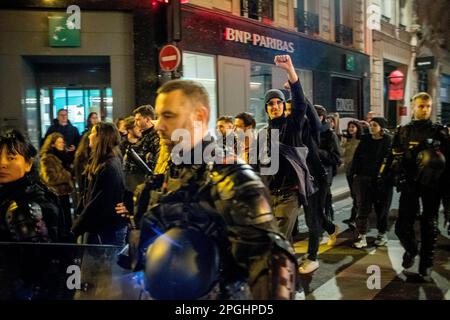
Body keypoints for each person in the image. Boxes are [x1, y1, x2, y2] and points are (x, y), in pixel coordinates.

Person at [125, 79, 297, 300]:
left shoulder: (231, 177)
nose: (158, 125)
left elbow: (272, 264)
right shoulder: (170, 175)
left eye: (168, 115)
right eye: (158, 116)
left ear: (199, 116)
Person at [263, 56, 338, 275]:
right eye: (273, 104)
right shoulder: (268, 132)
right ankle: (330, 227)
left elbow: (302, 107)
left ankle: (310, 257)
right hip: (285, 187)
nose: (278, 107)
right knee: (311, 218)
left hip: (310, 178)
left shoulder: (298, 124)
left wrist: (292, 74)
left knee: (313, 217)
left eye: (281, 103)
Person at [386, 92, 449, 280]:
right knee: (402, 227)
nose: (425, 110)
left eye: (428, 106)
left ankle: (426, 265)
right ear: (413, 106)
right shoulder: (403, 131)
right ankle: (412, 249)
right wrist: (387, 176)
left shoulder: (441, 132)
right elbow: (393, 156)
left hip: (432, 184)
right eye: (421, 106)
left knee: (429, 225)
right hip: (410, 183)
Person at [0, 129, 61, 242]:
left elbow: (34, 255)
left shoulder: (24, 206)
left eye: (11, 158)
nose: (2, 164)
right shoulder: (7, 196)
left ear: (28, 164)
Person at [71, 122, 127, 245]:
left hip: (105, 232)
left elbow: (96, 204)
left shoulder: (108, 167)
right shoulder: (105, 162)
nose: (89, 136)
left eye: (93, 133)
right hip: (103, 229)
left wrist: (74, 231)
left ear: (101, 138)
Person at [351, 117, 393, 248]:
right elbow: (357, 157)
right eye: (370, 125)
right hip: (364, 179)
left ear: (381, 127)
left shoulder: (388, 141)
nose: (371, 127)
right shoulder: (366, 139)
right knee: (363, 208)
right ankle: (361, 236)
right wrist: (355, 174)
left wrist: (387, 177)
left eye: (374, 125)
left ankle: (382, 234)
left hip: (382, 181)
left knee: (382, 209)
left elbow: (391, 161)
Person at [39, 132, 74, 234]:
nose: (62, 144)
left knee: (67, 221)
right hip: (56, 195)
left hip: (64, 194)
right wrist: (67, 175)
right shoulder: (47, 158)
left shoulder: (61, 156)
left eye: (62, 142)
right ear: (52, 144)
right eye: (59, 142)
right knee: (61, 223)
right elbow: (50, 178)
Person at [315, 105, 342, 221]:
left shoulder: (330, 135)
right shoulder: (308, 132)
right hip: (310, 175)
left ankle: (321, 229)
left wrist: (319, 152)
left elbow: (336, 157)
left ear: (321, 117)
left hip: (324, 175)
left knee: (319, 205)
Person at [341, 120, 363, 227]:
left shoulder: (361, 140)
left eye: (353, 127)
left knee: (356, 195)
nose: (351, 128)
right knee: (353, 195)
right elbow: (341, 152)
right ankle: (355, 217)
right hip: (348, 171)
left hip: (356, 171)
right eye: (349, 127)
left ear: (358, 128)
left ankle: (354, 217)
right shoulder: (347, 140)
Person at [133, 105, 160, 171]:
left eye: (138, 120)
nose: (135, 123)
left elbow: (156, 161)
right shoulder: (144, 136)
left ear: (147, 120)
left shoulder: (156, 136)